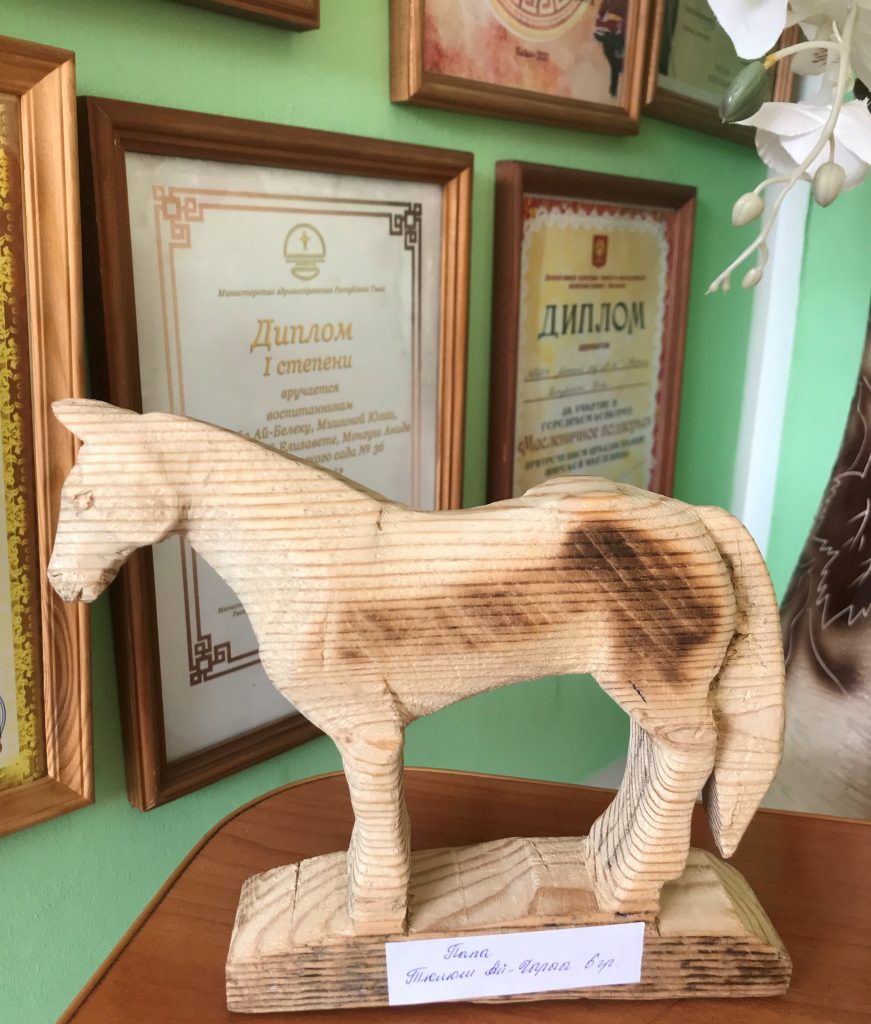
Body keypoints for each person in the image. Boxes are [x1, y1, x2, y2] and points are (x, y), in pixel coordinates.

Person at [594, 0, 628, 98]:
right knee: (608, 51)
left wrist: (621, 30)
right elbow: (602, 11)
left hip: (620, 31)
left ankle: (613, 88)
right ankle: (619, 67)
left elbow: (627, 15)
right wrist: (600, 19)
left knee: (611, 48)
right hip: (609, 29)